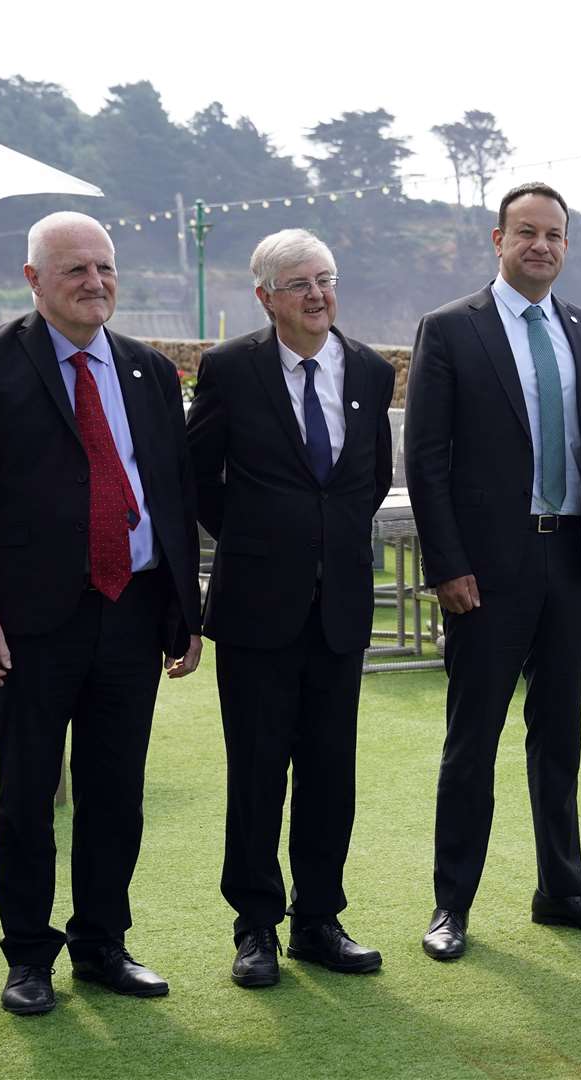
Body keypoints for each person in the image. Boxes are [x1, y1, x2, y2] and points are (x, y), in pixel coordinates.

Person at [0, 211, 202, 1015]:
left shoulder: (151, 370)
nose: (95, 283)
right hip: (31, 624)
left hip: (134, 610)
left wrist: (184, 610)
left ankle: (102, 947)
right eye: (75, 270)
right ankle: (27, 960)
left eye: (105, 268)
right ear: (34, 281)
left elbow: (171, 495)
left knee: (117, 793)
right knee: (25, 799)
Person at [405, 181, 581, 961]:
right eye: (527, 232)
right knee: (471, 740)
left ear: (567, 245)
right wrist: (448, 565)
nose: (542, 245)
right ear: (497, 240)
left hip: (571, 560)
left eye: (555, 234)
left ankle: (563, 891)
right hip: (486, 571)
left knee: (560, 734)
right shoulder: (450, 330)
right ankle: (451, 907)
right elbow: (427, 460)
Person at [186, 229, 395, 987]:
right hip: (254, 608)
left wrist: (321, 543)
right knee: (257, 773)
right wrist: (259, 538)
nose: (317, 294)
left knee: (330, 773)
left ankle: (317, 920)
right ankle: (255, 928)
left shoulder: (370, 369)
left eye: (326, 279)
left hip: (338, 607)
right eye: (299, 283)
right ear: (265, 296)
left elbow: (366, 481)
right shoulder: (230, 370)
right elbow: (197, 477)